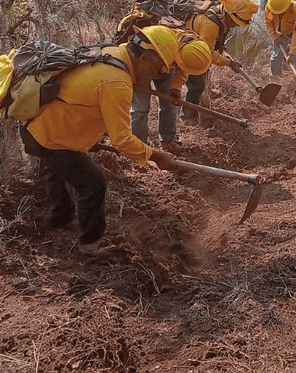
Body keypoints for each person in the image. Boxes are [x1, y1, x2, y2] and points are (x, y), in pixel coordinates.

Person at [18, 25, 182, 255]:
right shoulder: (117, 82)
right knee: (93, 183)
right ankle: (90, 244)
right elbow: (122, 140)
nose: (157, 75)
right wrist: (155, 156)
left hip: (38, 126)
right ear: (144, 57)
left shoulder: (112, 53)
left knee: (56, 169)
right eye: (158, 68)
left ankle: (59, 218)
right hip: (50, 135)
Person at [130, 26, 213, 151]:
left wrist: (175, 87)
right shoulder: (171, 44)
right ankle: (138, 147)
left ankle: (168, 141)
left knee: (169, 105)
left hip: (167, 71)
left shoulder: (190, 52)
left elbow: (183, 69)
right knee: (140, 108)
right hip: (145, 65)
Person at [180, 0, 259, 122]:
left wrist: (221, 46)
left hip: (200, 44)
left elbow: (219, 34)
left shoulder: (222, 14)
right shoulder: (211, 24)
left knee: (205, 72)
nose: (235, 26)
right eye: (235, 23)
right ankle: (187, 115)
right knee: (197, 81)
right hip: (189, 47)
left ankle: (206, 93)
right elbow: (207, 55)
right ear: (230, 16)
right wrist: (228, 63)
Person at [264, 0, 296, 81]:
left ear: (288, 6)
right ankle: (276, 80)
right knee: (275, 57)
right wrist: (274, 37)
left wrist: (291, 54)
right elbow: (269, 23)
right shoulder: (270, 9)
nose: (278, 14)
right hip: (281, 34)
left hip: (294, 34)